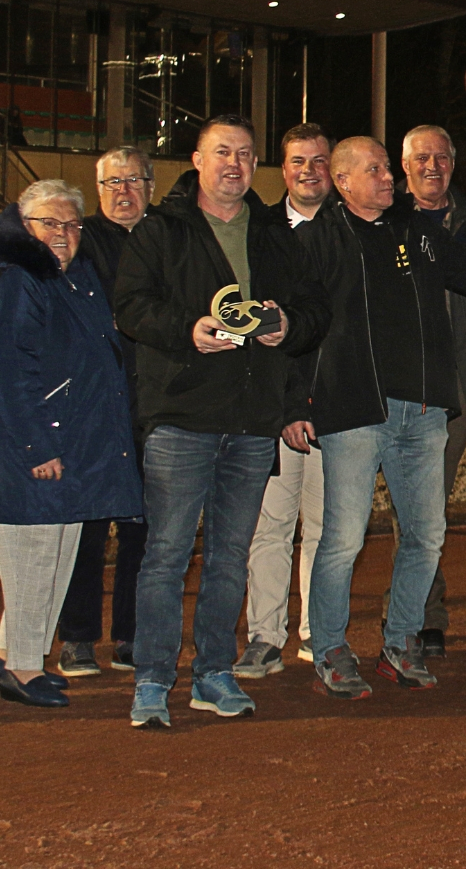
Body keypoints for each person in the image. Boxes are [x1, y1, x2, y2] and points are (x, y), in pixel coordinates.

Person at [116, 115, 328, 729]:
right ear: (198, 159)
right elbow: (130, 306)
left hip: (252, 419)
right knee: (166, 556)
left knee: (231, 555)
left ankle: (213, 673)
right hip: (181, 415)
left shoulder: (273, 233)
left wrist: (290, 326)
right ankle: (153, 680)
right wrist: (187, 331)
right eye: (222, 153)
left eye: (244, 154)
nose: (234, 163)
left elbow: (316, 305)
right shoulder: (162, 229)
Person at [289, 136, 466, 700]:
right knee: (342, 539)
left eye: (389, 168)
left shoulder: (417, 231)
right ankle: (332, 649)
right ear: (342, 181)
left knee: (426, 535)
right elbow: (299, 329)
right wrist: (294, 404)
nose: (390, 178)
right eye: (376, 170)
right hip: (355, 411)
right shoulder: (316, 241)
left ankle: (402, 641)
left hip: (424, 409)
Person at [0, 182, 143, 707]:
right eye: (49, 225)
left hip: (72, 441)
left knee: (57, 556)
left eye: (72, 225)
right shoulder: (18, 277)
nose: (62, 234)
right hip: (33, 449)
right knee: (32, 558)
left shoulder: (72, 276)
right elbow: (12, 373)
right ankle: (22, 666)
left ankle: (18, 657)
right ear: (25, 225)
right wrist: (37, 448)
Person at [381, 124, 466, 658]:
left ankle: (421, 614)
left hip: (452, 391)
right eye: (422, 158)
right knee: (398, 510)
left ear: (454, 162)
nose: (433, 166)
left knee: (423, 507)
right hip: (387, 385)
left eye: (442, 156)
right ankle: (405, 615)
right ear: (404, 165)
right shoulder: (384, 220)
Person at [235, 123, 332, 678]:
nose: (308, 171)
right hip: (270, 407)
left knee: (323, 529)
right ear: (283, 167)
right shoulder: (259, 229)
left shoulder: (349, 231)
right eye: (298, 161)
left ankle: (317, 633)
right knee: (269, 527)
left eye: (319, 161)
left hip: (330, 408)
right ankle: (264, 637)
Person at [53, 148, 154, 678]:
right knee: (87, 529)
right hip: (91, 409)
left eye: (133, 180)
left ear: (150, 187)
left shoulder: (165, 237)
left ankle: (132, 636)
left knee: (143, 529)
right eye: (112, 182)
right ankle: (77, 638)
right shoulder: (81, 239)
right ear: (98, 189)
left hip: (151, 405)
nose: (123, 191)